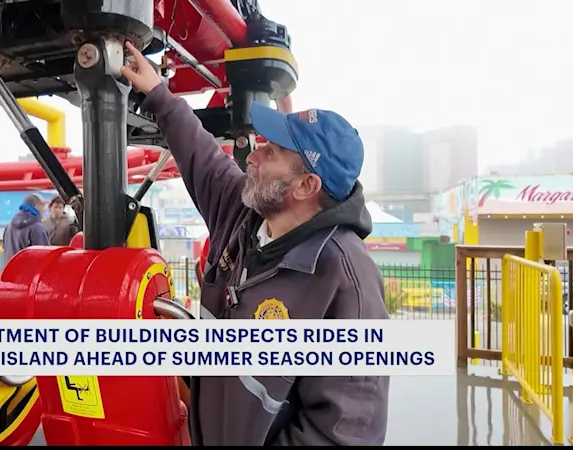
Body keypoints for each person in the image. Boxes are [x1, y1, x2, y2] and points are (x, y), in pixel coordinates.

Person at [121, 42, 390, 446]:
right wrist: (159, 93)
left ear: (305, 185)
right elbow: (203, 158)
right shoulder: (244, 215)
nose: (252, 156)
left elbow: (344, 434)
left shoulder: (346, 282)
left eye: (272, 151)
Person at [2, 193, 50, 264]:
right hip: (29, 273)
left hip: (10, 272)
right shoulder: (37, 228)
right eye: (43, 206)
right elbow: (45, 256)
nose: (44, 210)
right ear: (35, 206)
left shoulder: (9, 226)